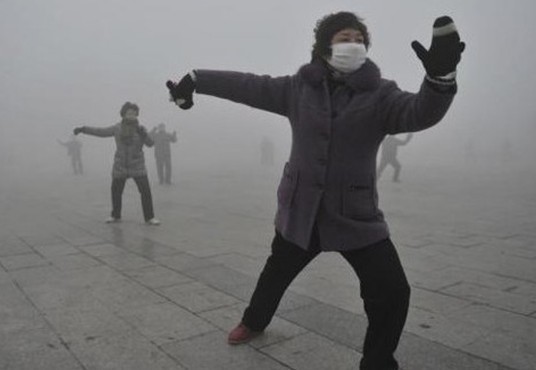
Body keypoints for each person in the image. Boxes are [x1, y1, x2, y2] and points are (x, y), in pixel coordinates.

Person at [167, 12, 464, 370]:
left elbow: (419, 113)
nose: (352, 44)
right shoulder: (298, 88)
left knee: (392, 291)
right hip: (301, 210)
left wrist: (440, 79)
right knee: (276, 272)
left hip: (354, 214)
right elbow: (248, 85)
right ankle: (254, 321)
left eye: (358, 38)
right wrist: (197, 79)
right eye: (343, 38)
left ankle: (378, 362)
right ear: (325, 47)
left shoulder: (382, 94)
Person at [73, 102, 161, 225]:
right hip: (120, 165)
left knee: (145, 191)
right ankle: (115, 215)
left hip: (137, 165)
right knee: (116, 191)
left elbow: (150, 144)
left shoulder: (140, 129)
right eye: (129, 113)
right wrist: (83, 129)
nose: (132, 115)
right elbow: (100, 132)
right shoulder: (117, 128)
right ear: (123, 114)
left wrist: (144, 134)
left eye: (134, 113)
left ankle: (150, 217)